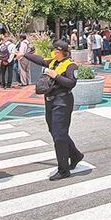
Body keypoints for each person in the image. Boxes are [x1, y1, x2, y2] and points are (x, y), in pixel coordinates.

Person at [23, 39, 83, 180]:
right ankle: (75, 155)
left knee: (59, 135)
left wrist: (55, 76)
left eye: (55, 50)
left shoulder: (71, 66)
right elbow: (39, 59)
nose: (53, 52)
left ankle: (63, 170)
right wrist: (23, 54)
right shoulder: (53, 62)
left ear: (61, 51)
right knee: (55, 131)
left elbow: (71, 83)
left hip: (62, 101)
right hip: (50, 101)